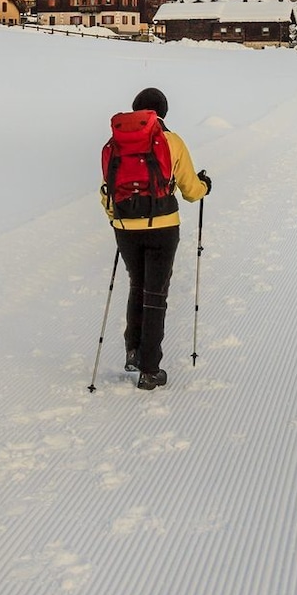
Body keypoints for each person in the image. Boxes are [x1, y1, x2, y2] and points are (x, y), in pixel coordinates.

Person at [101, 86, 211, 390]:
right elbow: (191, 191)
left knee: (137, 283)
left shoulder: (116, 143)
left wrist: (120, 215)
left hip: (125, 227)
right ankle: (150, 370)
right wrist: (205, 186)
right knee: (156, 294)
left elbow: (107, 191)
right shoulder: (172, 141)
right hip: (163, 225)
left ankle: (133, 351)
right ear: (162, 112)